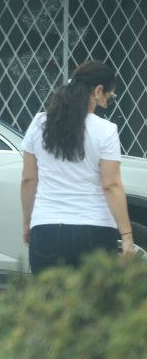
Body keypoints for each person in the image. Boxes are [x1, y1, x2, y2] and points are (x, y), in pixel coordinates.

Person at [21, 60, 135, 274]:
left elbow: (28, 179)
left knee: (49, 303)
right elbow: (111, 184)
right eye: (108, 97)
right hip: (95, 231)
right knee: (93, 303)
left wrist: (28, 222)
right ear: (98, 90)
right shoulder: (106, 130)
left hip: (47, 228)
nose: (107, 102)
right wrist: (127, 235)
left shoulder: (38, 123)